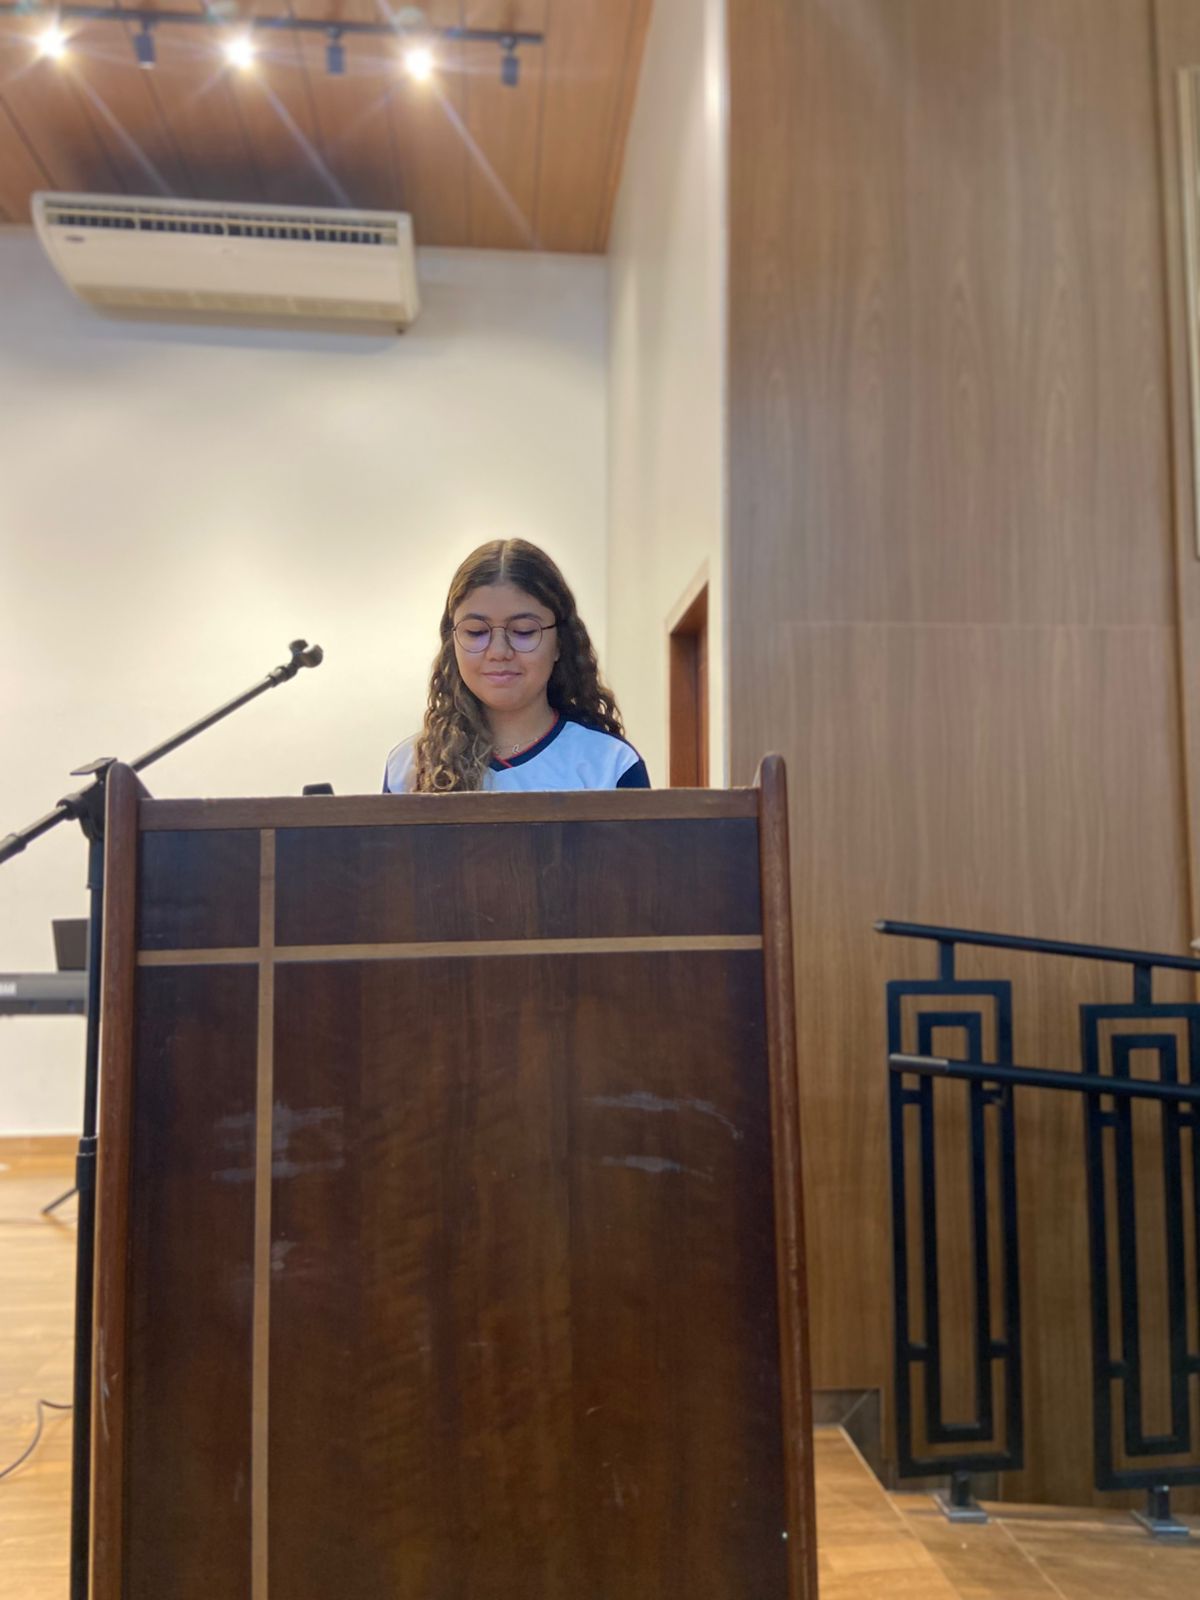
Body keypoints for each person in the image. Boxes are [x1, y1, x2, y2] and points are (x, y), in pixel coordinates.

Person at [384, 539, 649, 793]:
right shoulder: (409, 767)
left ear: (560, 642)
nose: (499, 652)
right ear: (452, 641)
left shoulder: (610, 764)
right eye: (476, 632)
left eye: (523, 631)